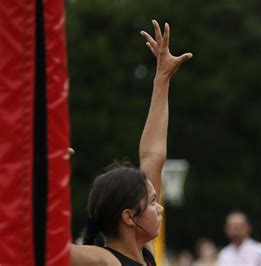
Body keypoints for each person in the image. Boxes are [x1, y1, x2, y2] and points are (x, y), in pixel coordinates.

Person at [70, 20, 192, 265]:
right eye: (153, 202)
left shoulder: (144, 253)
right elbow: (45, 244)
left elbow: (153, 156)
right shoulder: (106, 260)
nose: (160, 208)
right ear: (128, 216)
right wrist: (45, 174)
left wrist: (162, 80)